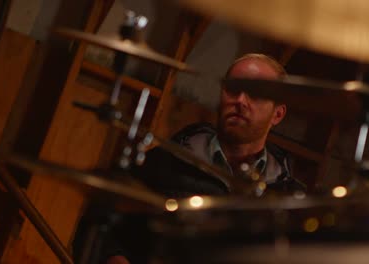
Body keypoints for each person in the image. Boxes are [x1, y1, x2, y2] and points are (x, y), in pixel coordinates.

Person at [75, 53, 306, 264]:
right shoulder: (164, 162)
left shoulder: (289, 198)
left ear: (278, 114)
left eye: (256, 93)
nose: (241, 100)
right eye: (233, 89)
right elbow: (99, 227)